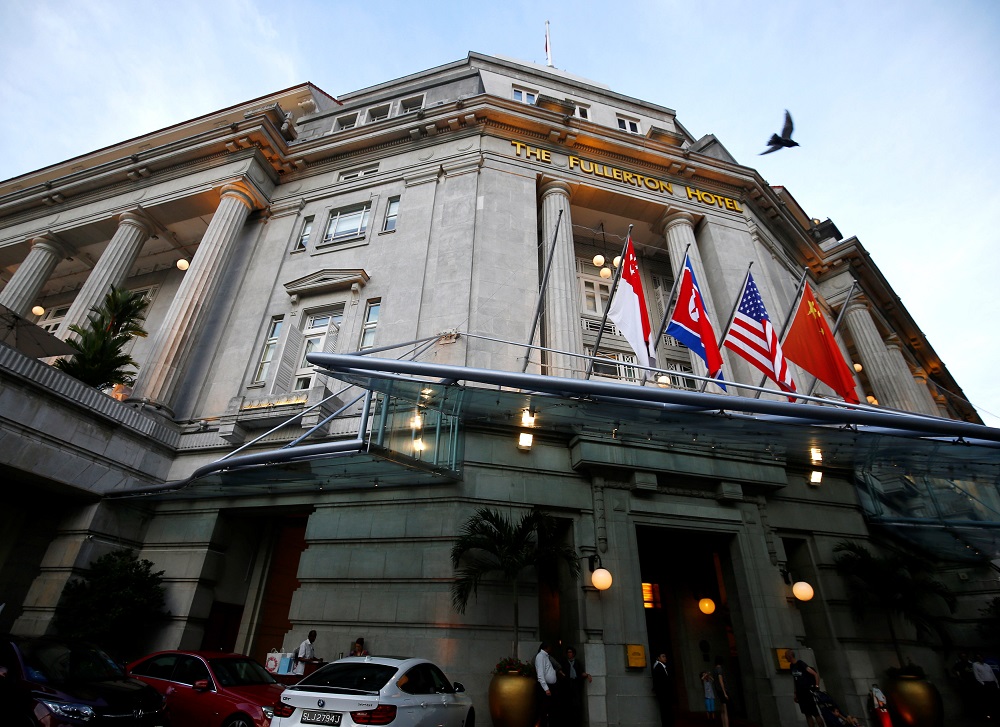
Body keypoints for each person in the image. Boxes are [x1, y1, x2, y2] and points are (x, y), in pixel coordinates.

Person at [784, 649, 821, 727]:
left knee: (815, 713)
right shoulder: (791, 666)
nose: (785, 658)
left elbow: (815, 674)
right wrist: (795, 693)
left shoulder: (800, 663)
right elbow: (795, 680)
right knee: (807, 714)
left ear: (790, 656)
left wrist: (816, 686)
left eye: (786, 656)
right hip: (800, 693)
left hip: (807, 692)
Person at [561, 646, 591, 727]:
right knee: (568, 704)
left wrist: (587, 675)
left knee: (576, 704)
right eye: (568, 652)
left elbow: (581, 672)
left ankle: (577, 722)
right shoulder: (564, 662)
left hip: (576, 684)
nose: (569, 654)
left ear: (573, 653)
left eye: (570, 652)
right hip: (567, 685)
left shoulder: (577, 662)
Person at [535, 642, 560, 727]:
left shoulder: (546, 656)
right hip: (545, 687)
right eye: (550, 647)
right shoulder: (540, 656)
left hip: (551, 686)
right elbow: (540, 674)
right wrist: (546, 688)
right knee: (544, 709)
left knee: (551, 709)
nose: (551, 649)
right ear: (546, 647)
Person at [973, 653, 999, 718]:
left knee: (994, 699)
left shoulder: (987, 665)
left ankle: (995, 714)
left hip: (992, 683)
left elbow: (992, 674)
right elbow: (976, 676)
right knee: (986, 700)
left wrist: (997, 683)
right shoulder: (975, 664)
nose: (980, 658)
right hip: (985, 684)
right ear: (976, 658)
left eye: (981, 657)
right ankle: (987, 716)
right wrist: (983, 683)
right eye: (978, 657)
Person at [652, 652, 674, 727]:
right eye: (663, 656)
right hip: (663, 693)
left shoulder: (663, 666)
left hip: (666, 693)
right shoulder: (658, 667)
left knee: (667, 710)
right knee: (665, 710)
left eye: (665, 656)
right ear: (658, 658)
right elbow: (658, 680)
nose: (665, 658)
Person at [713, 657, 730, 727]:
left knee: (722, 710)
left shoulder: (714, 670)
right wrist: (725, 693)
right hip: (722, 691)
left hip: (718, 690)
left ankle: (724, 725)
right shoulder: (719, 669)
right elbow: (721, 681)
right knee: (725, 710)